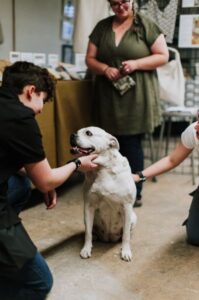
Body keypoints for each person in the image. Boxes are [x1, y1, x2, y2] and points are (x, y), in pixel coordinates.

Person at [0, 61, 98, 300]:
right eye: (42, 100)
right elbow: (45, 182)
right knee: (39, 284)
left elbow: (20, 163)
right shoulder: (21, 118)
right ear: (31, 91)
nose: (42, 109)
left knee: (22, 185)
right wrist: (76, 165)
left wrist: (45, 178)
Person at [85, 0, 169, 207]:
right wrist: (104, 69)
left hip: (137, 94)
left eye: (124, 2)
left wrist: (136, 63)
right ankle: (107, 190)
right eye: (114, 3)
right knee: (105, 142)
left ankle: (134, 192)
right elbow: (90, 58)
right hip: (108, 93)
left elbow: (163, 56)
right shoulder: (102, 27)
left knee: (131, 142)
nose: (120, 7)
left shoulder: (145, 25)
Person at [133, 120, 199, 246]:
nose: (197, 126)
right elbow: (172, 160)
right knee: (195, 237)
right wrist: (139, 176)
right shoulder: (193, 131)